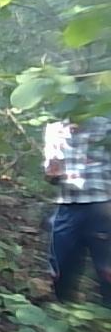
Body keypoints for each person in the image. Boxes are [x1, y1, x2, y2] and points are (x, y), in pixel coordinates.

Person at [43, 115, 111, 307]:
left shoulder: (106, 122)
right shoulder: (55, 127)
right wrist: (52, 173)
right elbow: (50, 172)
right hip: (68, 205)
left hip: (103, 205)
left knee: (107, 269)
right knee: (61, 266)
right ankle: (64, 310)